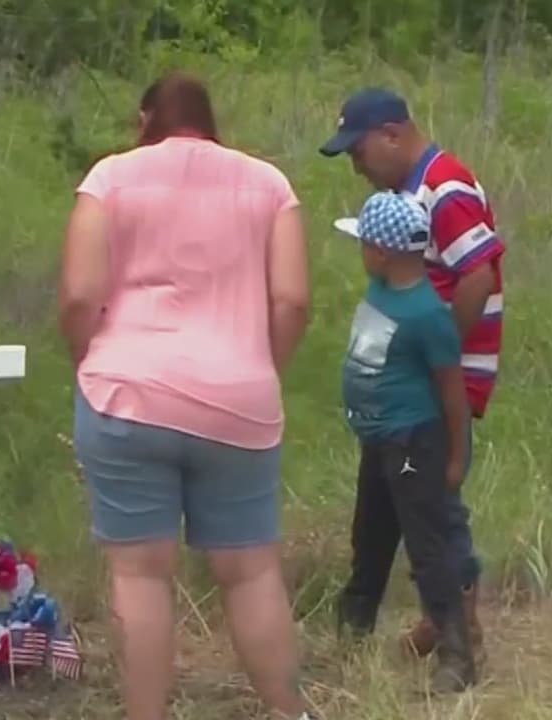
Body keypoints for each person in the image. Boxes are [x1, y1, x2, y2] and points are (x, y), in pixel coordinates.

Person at [57, 71, 314, 720]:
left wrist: (86, 360)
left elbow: (81, 295)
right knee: (251, 573)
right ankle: (290, 711)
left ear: (145, 120)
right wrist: (262, 366)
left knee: (140, 574)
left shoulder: (110, 179)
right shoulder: (268, 185)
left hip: (126, 393)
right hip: (239, 400)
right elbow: (292, 300)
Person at [320, 88, 505, 660]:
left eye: (359, 152)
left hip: (439, 380)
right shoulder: (411, 192)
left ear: (392, 135)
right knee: (410, 504)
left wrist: (437, 353)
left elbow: (478, 274)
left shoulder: (445, 188)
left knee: (434, 508)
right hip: (410, 389)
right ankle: (442, 616)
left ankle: (458, 626)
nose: (357, 166)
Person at [331, 191, 475, 692]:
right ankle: (352, 631)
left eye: (363, 244)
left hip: (414, 443)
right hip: (379, 441)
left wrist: (456, 456)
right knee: (369, 536)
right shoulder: (381, 291)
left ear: (381, 251)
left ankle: (456, 654)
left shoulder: (426, 315)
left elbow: (452, 392)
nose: (361, 253)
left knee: (427, 546)